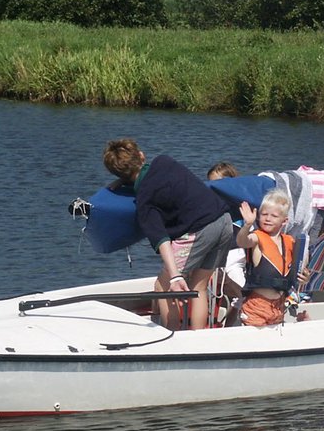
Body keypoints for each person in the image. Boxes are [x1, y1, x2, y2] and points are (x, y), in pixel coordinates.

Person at [103, 138, 232, 331]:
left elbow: (161, 239)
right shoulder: (165, 162)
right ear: (141, 155)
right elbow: (152, 178)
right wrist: (125, 180)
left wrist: (174, 276)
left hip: (200, 229)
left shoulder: (144, 201)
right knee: (199, 286)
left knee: (162, 286)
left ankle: (172, 334)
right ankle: (199, 337)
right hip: (224, 221)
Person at [236, 190, 307, 327]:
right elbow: (242, 241)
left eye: (274, 216)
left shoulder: (290, 242)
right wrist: (247, 225)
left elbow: (298, 271)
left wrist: (305, 277)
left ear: (284, 221)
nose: (267, 219)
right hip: (257, 305)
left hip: (279, 306)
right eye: (264, 214)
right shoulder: (256, 237)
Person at [207, 161, 246, 326]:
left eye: (219, 184)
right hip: (218, 254)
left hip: (235, 254)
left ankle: (234, 324)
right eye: (211, 184)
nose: (215, 188)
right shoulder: (210, 205)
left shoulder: (239, 205)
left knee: (243, 293)